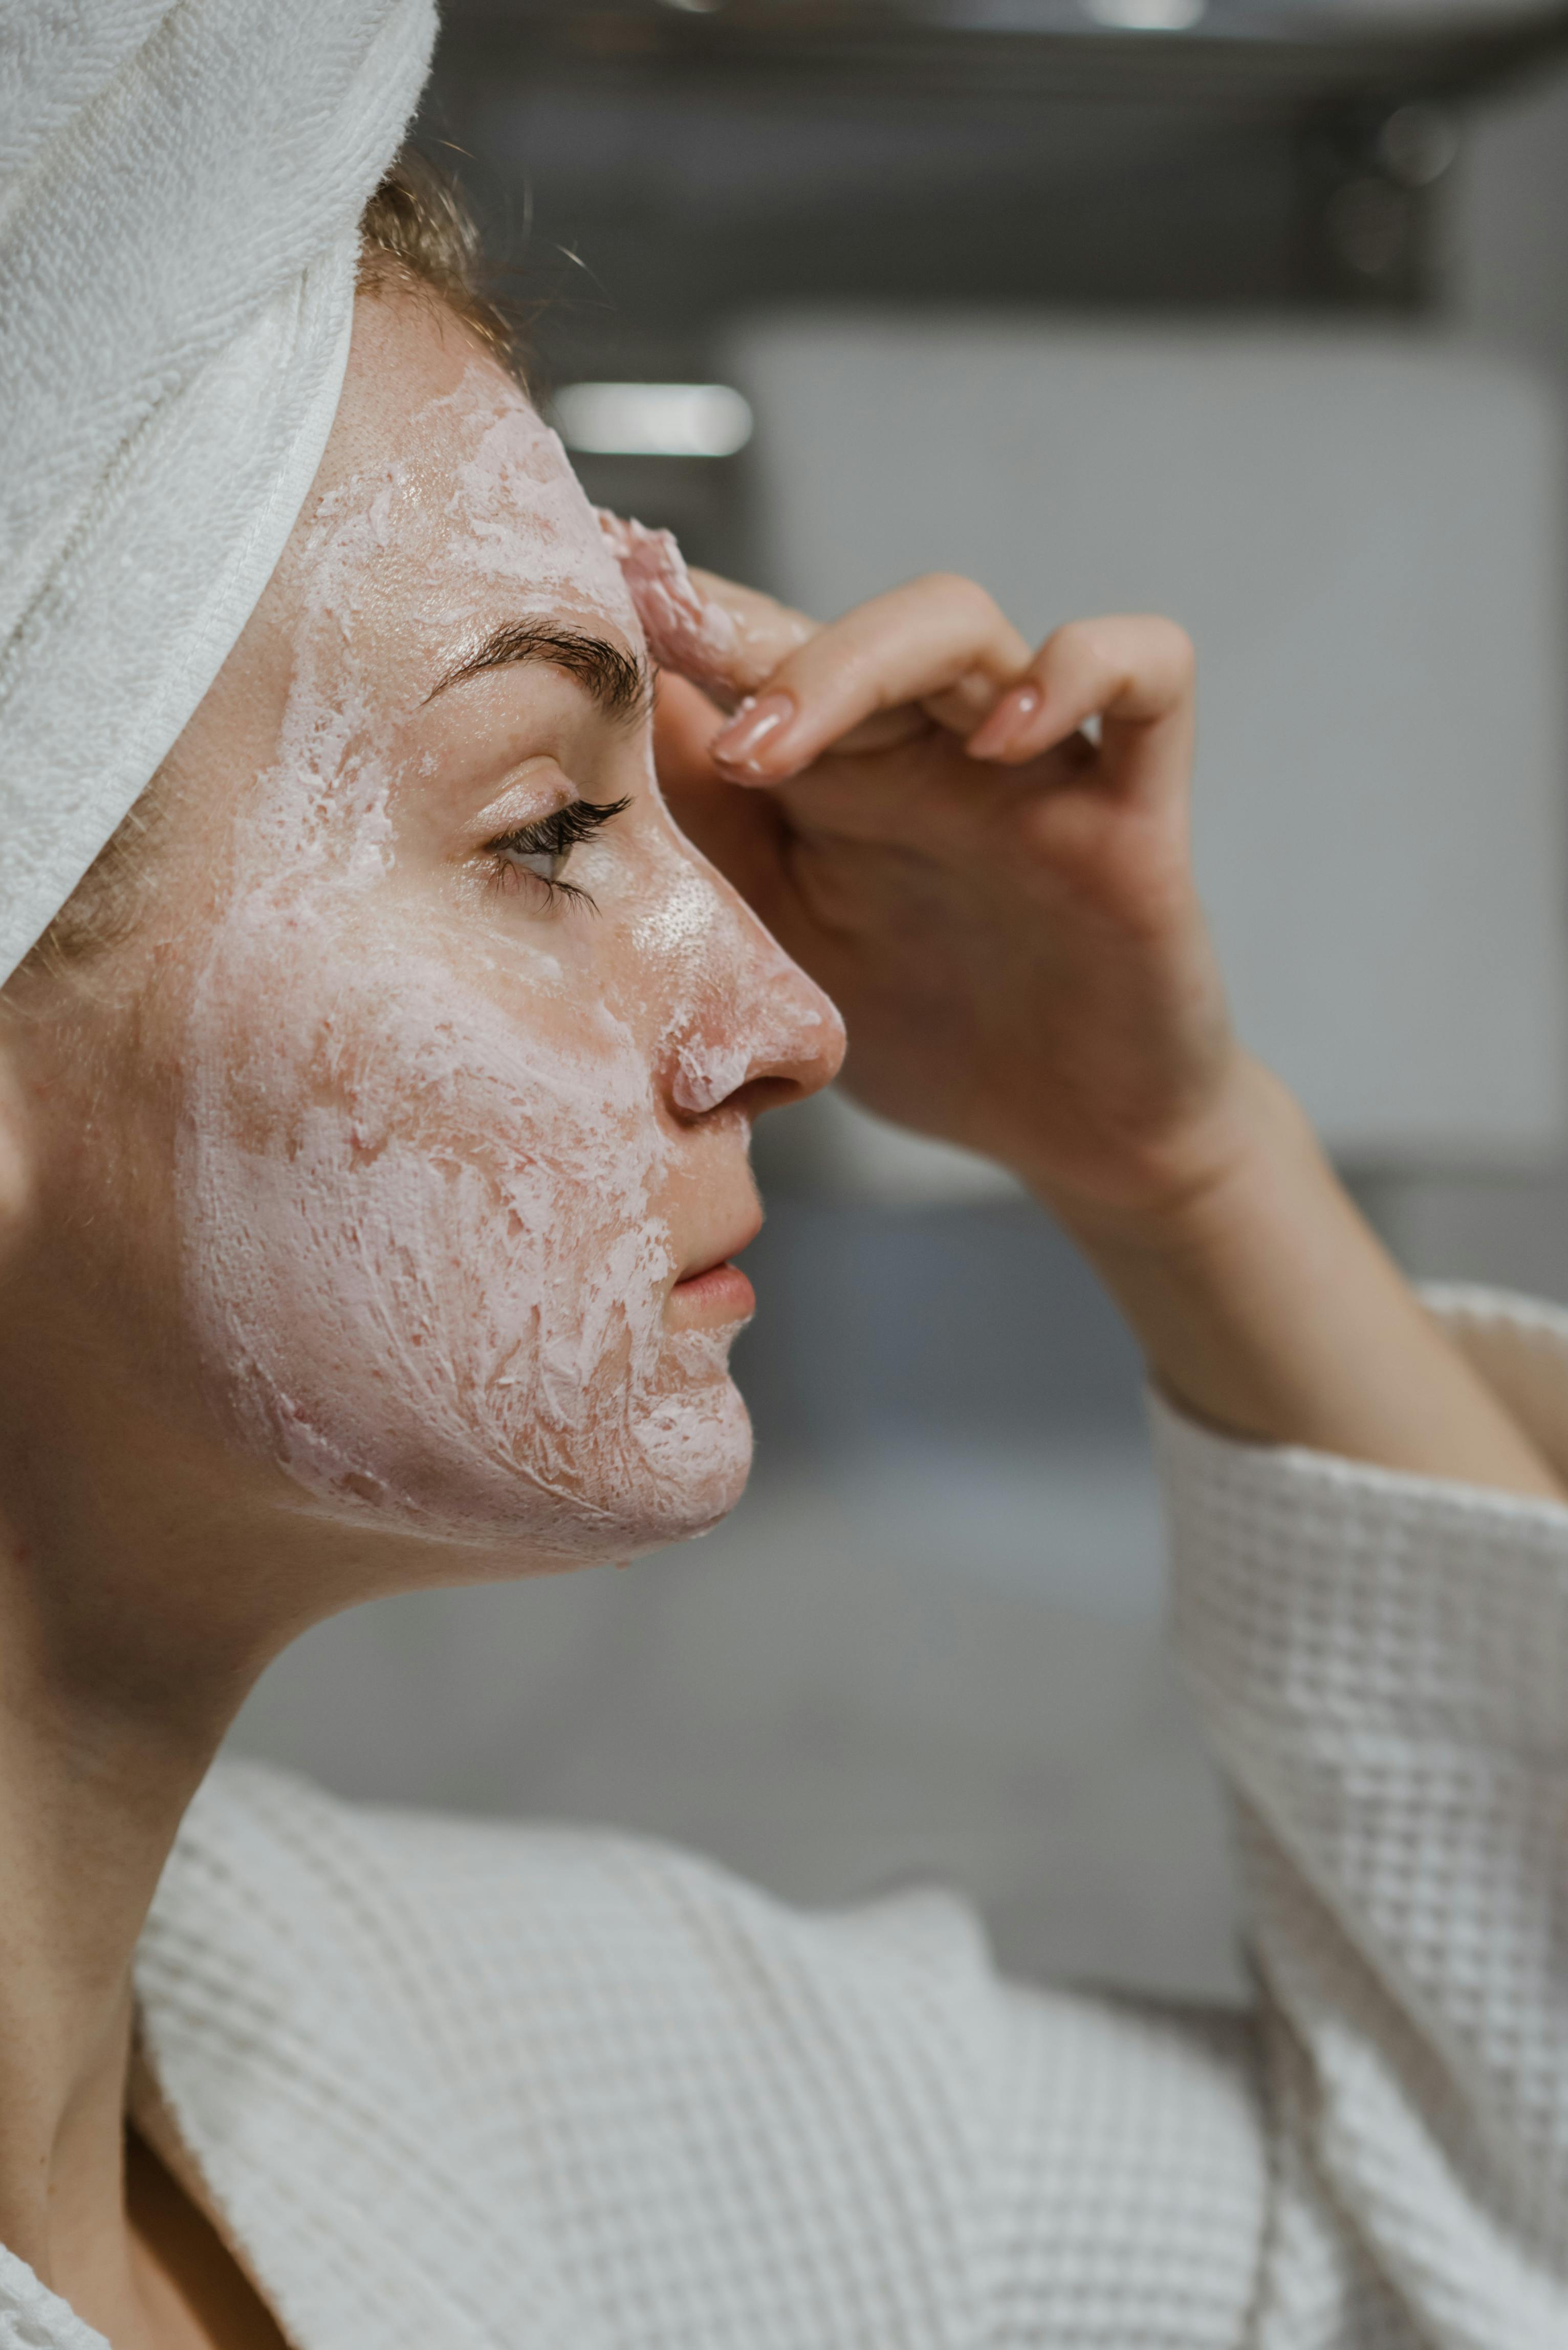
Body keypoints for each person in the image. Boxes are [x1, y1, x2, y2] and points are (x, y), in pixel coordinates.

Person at [5, 10, 1568, 2350]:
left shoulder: (467, 2052)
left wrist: (1172, 1155)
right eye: (544, 824)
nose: (795, 1018)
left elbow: (1477, 2251)